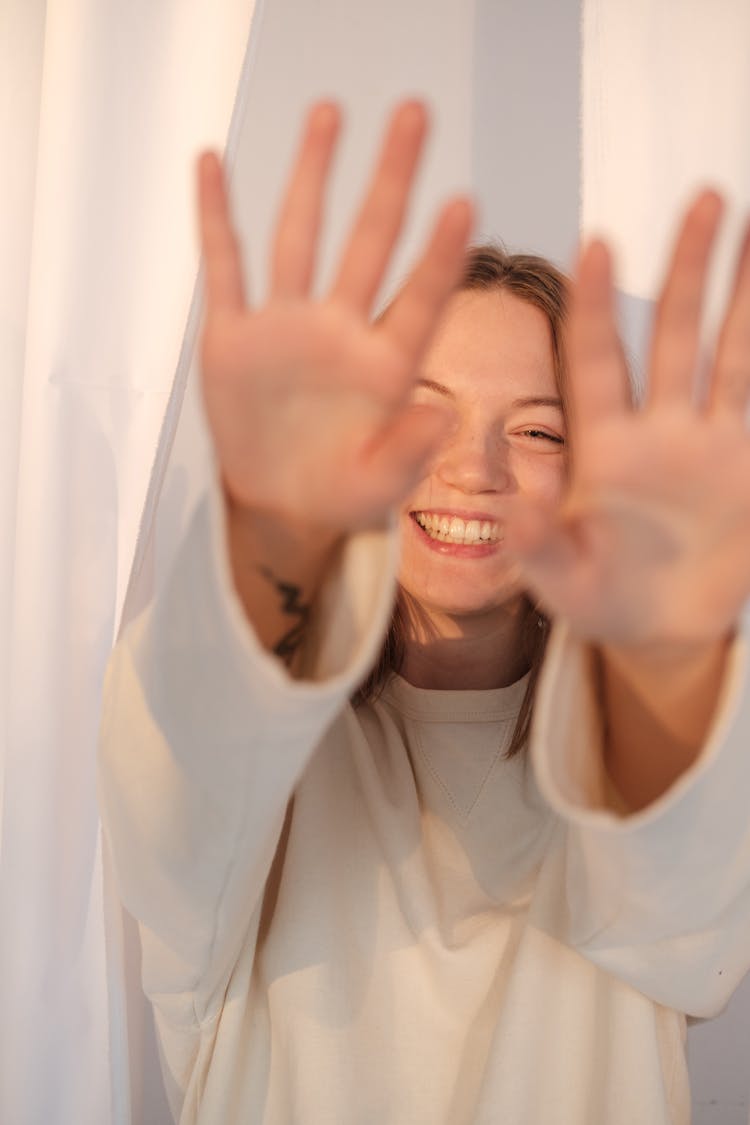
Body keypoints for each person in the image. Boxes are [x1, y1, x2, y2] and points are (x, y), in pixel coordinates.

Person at [99, 100, 750, 1124]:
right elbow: (181, 770)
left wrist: (669, 655)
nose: (472, 468)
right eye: (424, 413)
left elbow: (687, 897)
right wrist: (273, 534)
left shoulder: (621, 764)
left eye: (536, 432)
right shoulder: (255, 773)